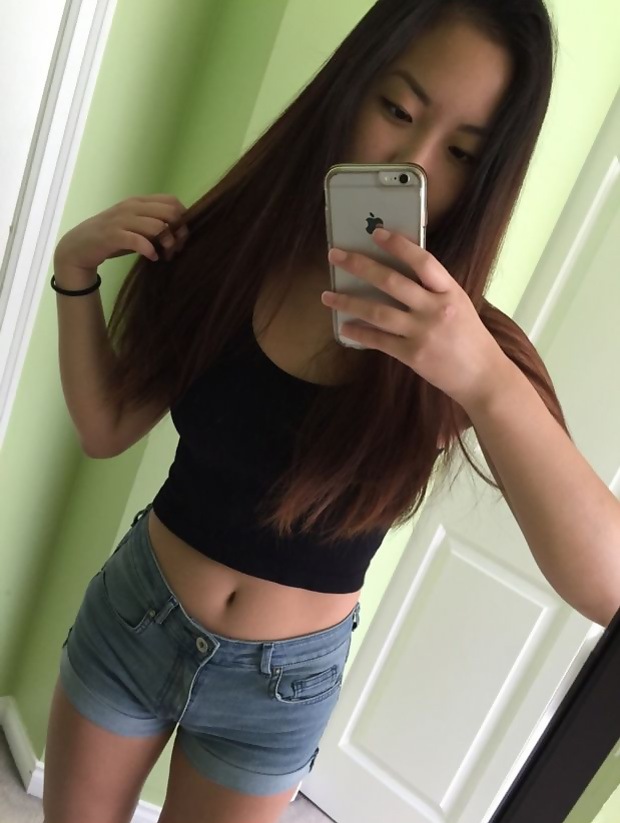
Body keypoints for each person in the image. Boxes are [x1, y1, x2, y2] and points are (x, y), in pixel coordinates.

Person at [43, 1, 620, 821]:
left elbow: (608, 585)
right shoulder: (230, 251)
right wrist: (73, 274)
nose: (414, 163)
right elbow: (105, 427)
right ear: (351, 89)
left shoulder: (467, 350)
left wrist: (485, 379)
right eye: (398, 110)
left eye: (461, 152)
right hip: (135, 617)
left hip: (279, 690)